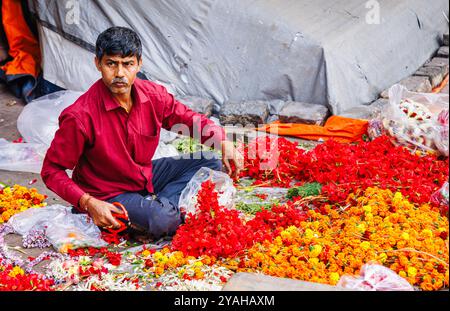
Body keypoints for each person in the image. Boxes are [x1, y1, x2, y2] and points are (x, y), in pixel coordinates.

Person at [41, 26, 243, 240]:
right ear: (98, 63)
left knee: (210, 161)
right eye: (111, 64)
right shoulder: (80, 116)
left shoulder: (153, 95)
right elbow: (51, 170)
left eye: (127, 64)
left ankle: (155, 210)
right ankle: (156, 214)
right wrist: (88, 202)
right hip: (107, 193)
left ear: (139, 64)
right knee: (162, 219)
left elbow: (186, 118)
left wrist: (222, 141)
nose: (120, 73)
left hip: (142, 177)